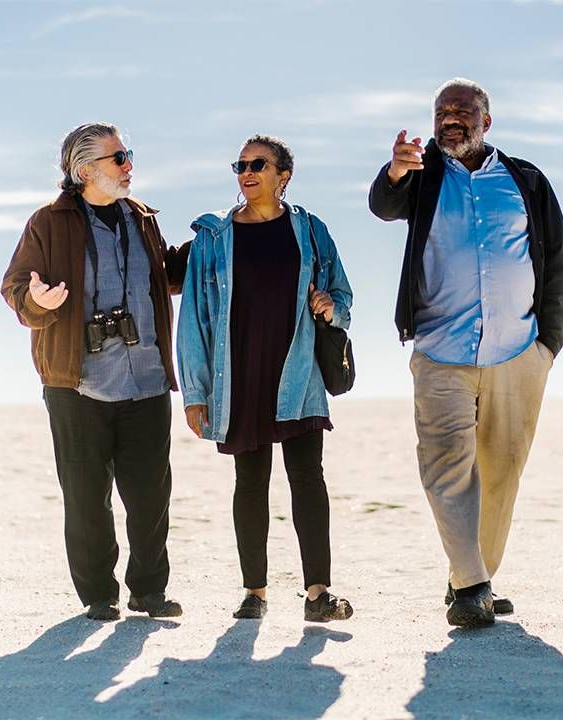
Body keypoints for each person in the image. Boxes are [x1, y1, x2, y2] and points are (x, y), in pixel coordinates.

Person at [368, 78, 563, 627]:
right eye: (441, 111)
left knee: (502, 469)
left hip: (517, 351)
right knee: (445, 467)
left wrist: (548, 343)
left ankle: (471, 572)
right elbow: (383, 207)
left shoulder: (525, 180)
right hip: (442, 350)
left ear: (487, 120)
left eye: (462, 110)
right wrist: (394, 171)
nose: (449, 119)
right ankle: (472, 586)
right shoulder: (421, 175)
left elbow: (558, 262)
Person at [0, 122, 189, 621]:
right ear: (84, 170)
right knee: (86, 498)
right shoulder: (49, 221)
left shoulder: (142, 217)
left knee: (150, 495)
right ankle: (98, 596)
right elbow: (16, 288)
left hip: (146, 377)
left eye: (128, 155)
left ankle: (149, 591)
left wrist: (206, 247)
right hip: (76, 382)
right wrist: (36, 302)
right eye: (119, 158)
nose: (129, 166)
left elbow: (165, 275)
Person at [177, 135, 355, 623]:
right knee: (249, 483)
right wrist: (195, 393)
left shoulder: (312, 231)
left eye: (259, 164)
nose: (247, 172)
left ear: (284, 175)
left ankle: (318, 592)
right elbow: (193, 317)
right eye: (241, 164)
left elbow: (342, 293)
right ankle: (254, 592)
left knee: (307, 479)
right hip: (237, 374)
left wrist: (330, 307)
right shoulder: (213, 239)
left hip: (298, 370)